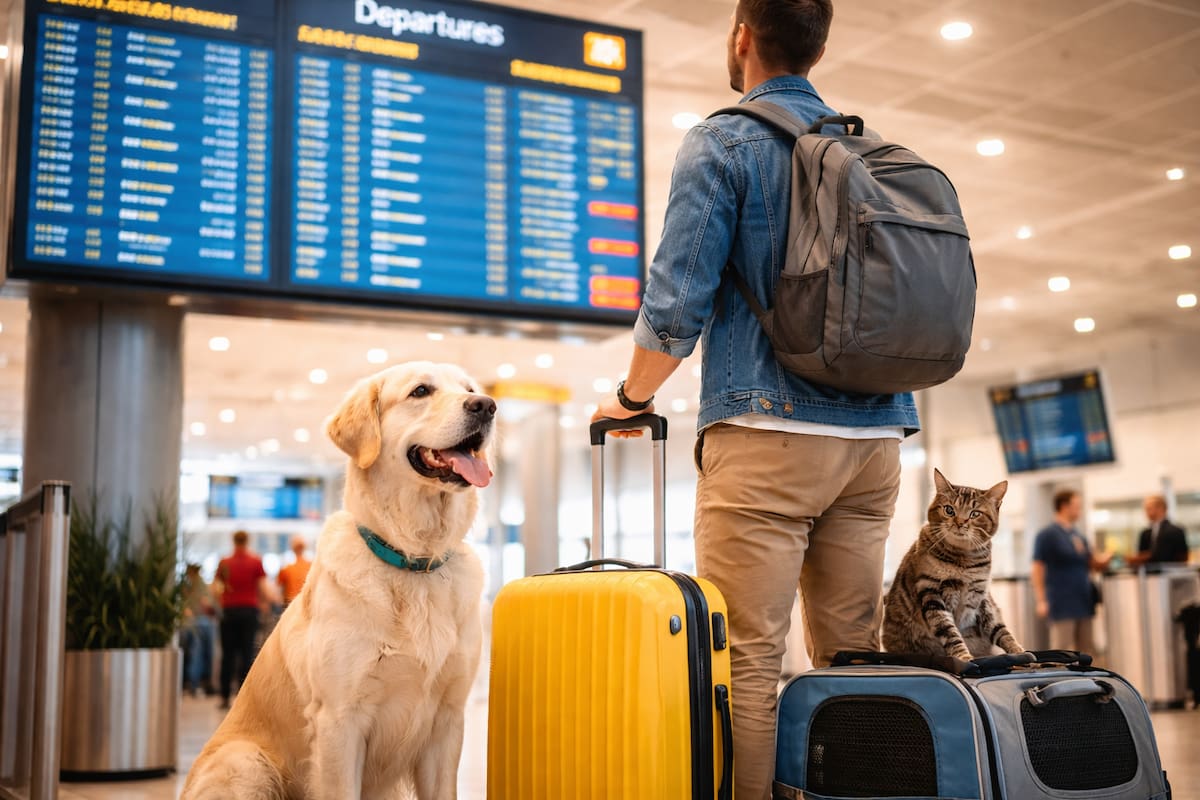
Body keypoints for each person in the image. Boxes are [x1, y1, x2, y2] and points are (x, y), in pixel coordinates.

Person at [591, 2, 918, 797]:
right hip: (874, 443)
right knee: (852, 653)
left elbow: (676, 306)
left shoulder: (725, 139)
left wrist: (631, 398)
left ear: (742, 37)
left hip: (768, 436)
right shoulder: (867, 148)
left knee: (749, 660)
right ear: (822, 46)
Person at [1032, 490, 1112, 653]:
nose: (1079, 510)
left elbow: (1091, 563)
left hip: (1084, 600)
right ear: (1064, 507)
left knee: (1086, 649)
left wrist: (1104, 559)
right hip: (1062, 602)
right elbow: (1037, 568)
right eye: (1076, 506)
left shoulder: (1078, 535)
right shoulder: (1047, 535)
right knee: (1062, 649)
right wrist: (1041, 600)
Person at [215, 530, 269, 710]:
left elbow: (217, 589)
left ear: (233, 540)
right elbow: (262, 587)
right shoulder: (255, 562)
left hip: (228, 611)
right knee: (247, 654)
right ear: (248, 541)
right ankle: (243, 699)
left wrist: (221, 602)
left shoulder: (224, 563)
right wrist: (265, 603)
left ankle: (224, 698)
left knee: (227, 655)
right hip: (249, 612)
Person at [180, 563, 218, 697]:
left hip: (194, 622)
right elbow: (206, 604)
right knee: (199, 650)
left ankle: (195, 682)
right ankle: (198, 682)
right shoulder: (194, 585)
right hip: (198, 623)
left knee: (196, 649)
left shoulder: (191, 585)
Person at [1128, 494, 1189, 566]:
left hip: (1171, 572)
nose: (1146, 512)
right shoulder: (1145, 533)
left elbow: (1182, 556)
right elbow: (1141, 554)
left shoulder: (1176, 531)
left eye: (1149, 508)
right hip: (1148, 573)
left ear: (1161, 508)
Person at [276, 536, 313, 607]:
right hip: (306, 603)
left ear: (292, 548)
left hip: (291, 604)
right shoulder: (311, 567)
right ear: (304, 547)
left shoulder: (286, 568)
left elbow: (279, 591)